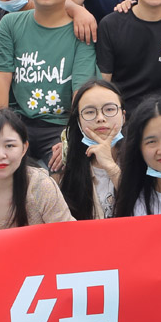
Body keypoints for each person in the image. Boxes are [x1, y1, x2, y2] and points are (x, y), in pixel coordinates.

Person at [0, 0, 98, 166]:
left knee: (63, 168)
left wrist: (69, 140)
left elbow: (81, 91)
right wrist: (2, 134)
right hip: (18, 121)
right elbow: (0, 81)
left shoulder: (81, 29)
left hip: (61, 125)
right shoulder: (10, 24)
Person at [0, 108, 74, 232]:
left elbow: (68, 235)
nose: (0, 155)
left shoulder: (41, 187)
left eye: (9, 145)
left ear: (24, 148)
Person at [59, 79, 125, 220]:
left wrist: (110, 166)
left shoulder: (141, 157)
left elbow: (144, 206)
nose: (100, 118)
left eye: (109, 109)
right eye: (89, 112)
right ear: (78, 121)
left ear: (123, 116)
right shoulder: (68, 165)